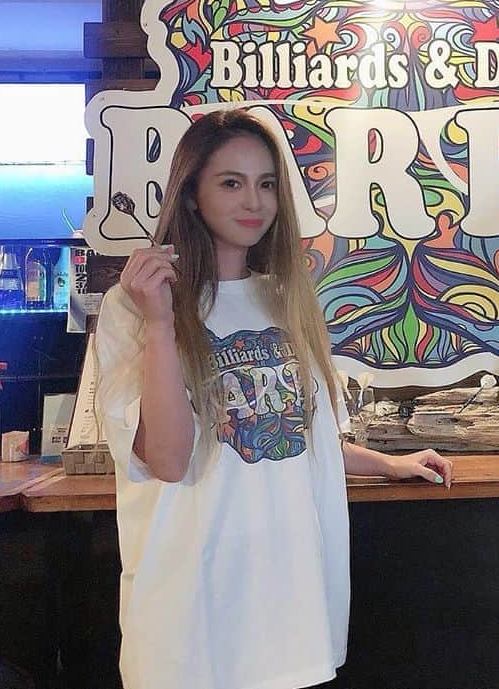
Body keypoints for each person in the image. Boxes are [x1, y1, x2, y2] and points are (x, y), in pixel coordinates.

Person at [94, 108, 453, 689]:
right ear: (191, 195)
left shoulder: (287, 298)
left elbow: (303, 435)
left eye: (265, 184)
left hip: (290, 606)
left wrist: (390, 464)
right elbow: (167, 458)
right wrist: (161, 324)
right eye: (230, 183)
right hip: (191, 617)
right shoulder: (132, 308)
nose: (254, 201)